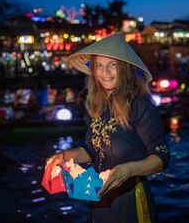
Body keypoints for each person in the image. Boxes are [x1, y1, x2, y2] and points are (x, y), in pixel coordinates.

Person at [47, 33, 170, 223]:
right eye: (99, 66)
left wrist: (128, 170)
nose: (105, 72)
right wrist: (65, 156)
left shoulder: (140, 103)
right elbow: (90, 151)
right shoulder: (97, 105)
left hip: (130, 197)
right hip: (99, 196)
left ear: (124, 68)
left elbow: (161, 157)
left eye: (113, 65)